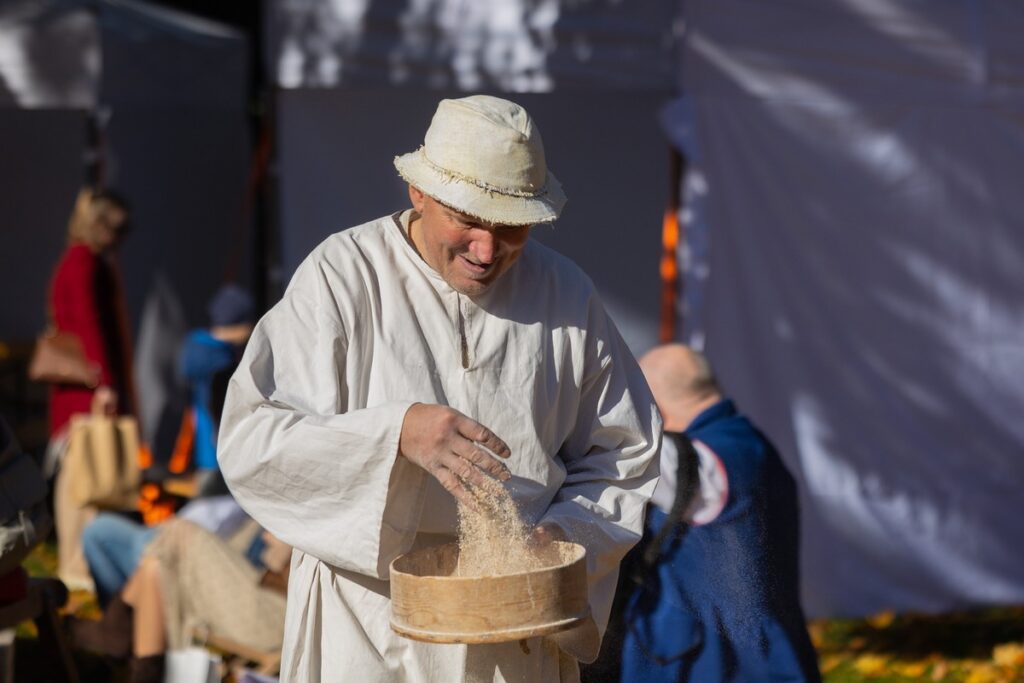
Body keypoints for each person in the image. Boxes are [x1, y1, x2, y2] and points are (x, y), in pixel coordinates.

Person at [217, 95, 661, 681]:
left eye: (511, 227)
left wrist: (557, 537)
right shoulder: (344, 275)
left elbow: (624, 454)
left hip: (514, 628)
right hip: (369, 626)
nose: (487, 249)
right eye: (469, 219)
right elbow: (253, 438)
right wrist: (396, 434)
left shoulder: (566, 294)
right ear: (418, 193)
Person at [618, 344, 820, 682]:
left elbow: (620, 456)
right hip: (765, 656)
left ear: (654, 406)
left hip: (720, 665)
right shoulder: (751, 443)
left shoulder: (706, 460)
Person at [46, 186, 134, 591]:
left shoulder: (74, 259)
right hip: (87, 394)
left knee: (77, 481)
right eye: (117, 228)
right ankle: (81, 569)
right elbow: (88, 325)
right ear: (100, 226)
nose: (120, 237)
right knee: (87, 483)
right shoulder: (84, 262)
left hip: (77, 393)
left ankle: (75, 565)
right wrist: (105, 383)